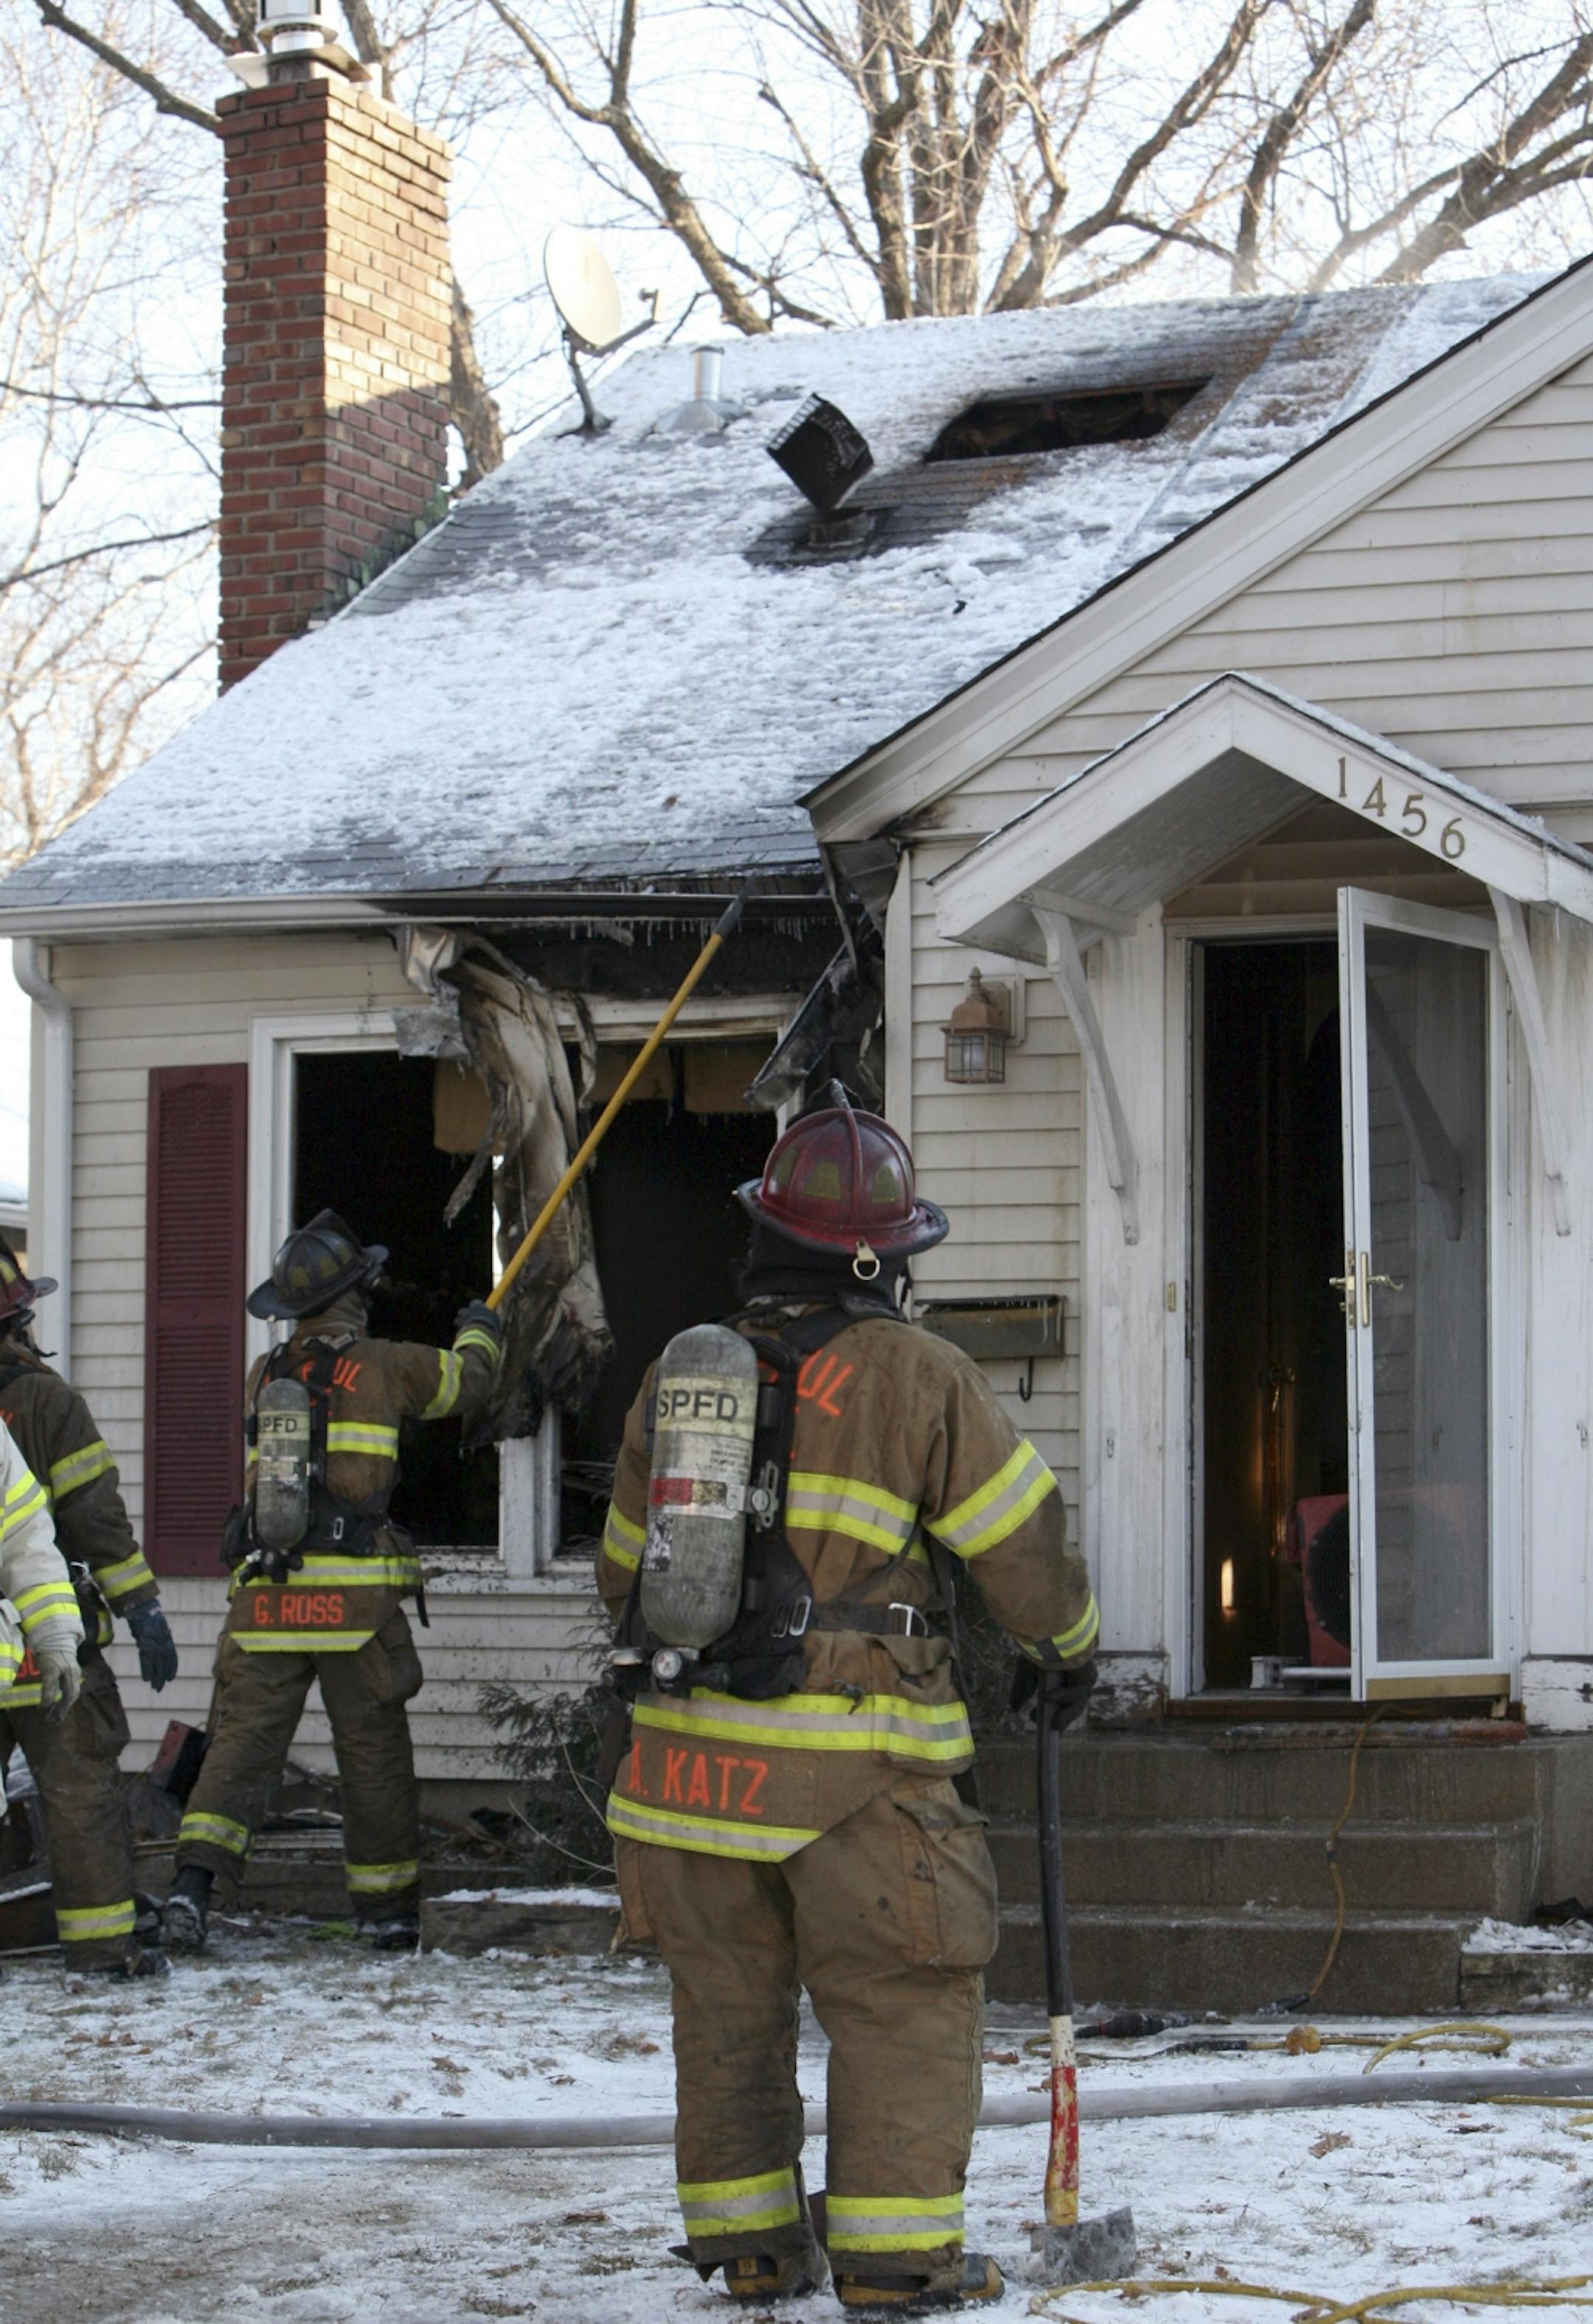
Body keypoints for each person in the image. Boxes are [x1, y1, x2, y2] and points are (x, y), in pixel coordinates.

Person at [597, 1098, 1100, 2313]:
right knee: (901, 1998)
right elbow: (1020, 1550)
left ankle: (753, 2248)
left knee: (727, 2011)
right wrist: (1068, 1650)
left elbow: (625, 1573)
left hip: (684, 1785)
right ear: (887, 1256)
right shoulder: (918, 1374)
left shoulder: (683, 1373)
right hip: (856, 1779)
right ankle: (895, 2258)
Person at [164, 1210, 502, 1952]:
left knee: (240, 1747)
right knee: (373, 1752)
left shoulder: (265, 1374)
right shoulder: (389, 1365)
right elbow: (471, 1385)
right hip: (352, 1603)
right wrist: (482, 1326)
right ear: (357, 1294)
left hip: (267, 1596)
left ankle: (191, 1889)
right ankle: (385, 1914)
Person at [0, 1238, 176, 1977]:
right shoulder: (46, 1401)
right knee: (79, 1795)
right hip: (47, 1638)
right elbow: (96, 1522)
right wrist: (142, 1610)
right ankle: (103, 1951)